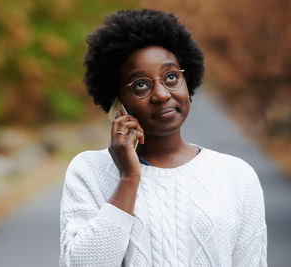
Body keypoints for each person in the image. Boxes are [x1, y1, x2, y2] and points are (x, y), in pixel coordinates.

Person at [59, 9, 267, 267]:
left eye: (171, 77)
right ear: (118, 101)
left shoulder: (237, 176)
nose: (161, 94)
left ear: (186, 81)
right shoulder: (89, 171)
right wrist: (128, 178)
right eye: (141, 85)